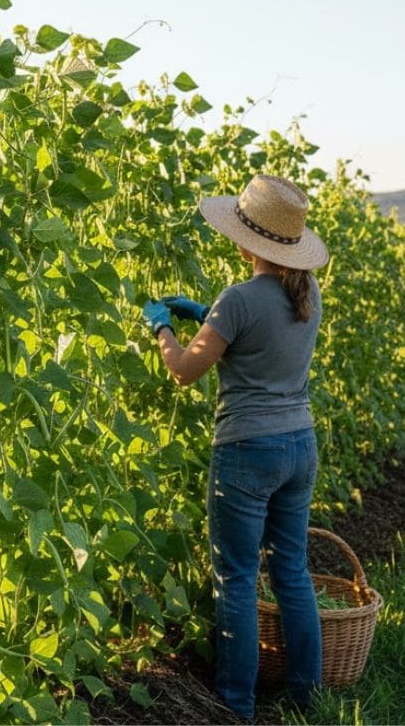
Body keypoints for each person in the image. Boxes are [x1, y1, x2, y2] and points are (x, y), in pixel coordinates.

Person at [141, 174, 330, 720]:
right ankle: (306, 695)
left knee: (238, 577)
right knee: (291, 569)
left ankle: (237, 707)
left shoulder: (239, 299)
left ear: (247, 242)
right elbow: (262, 339)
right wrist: (206, 316)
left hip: (249, 451)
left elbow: (183, 370)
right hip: (299, 445)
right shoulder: (307, 292)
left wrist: (161, 328)